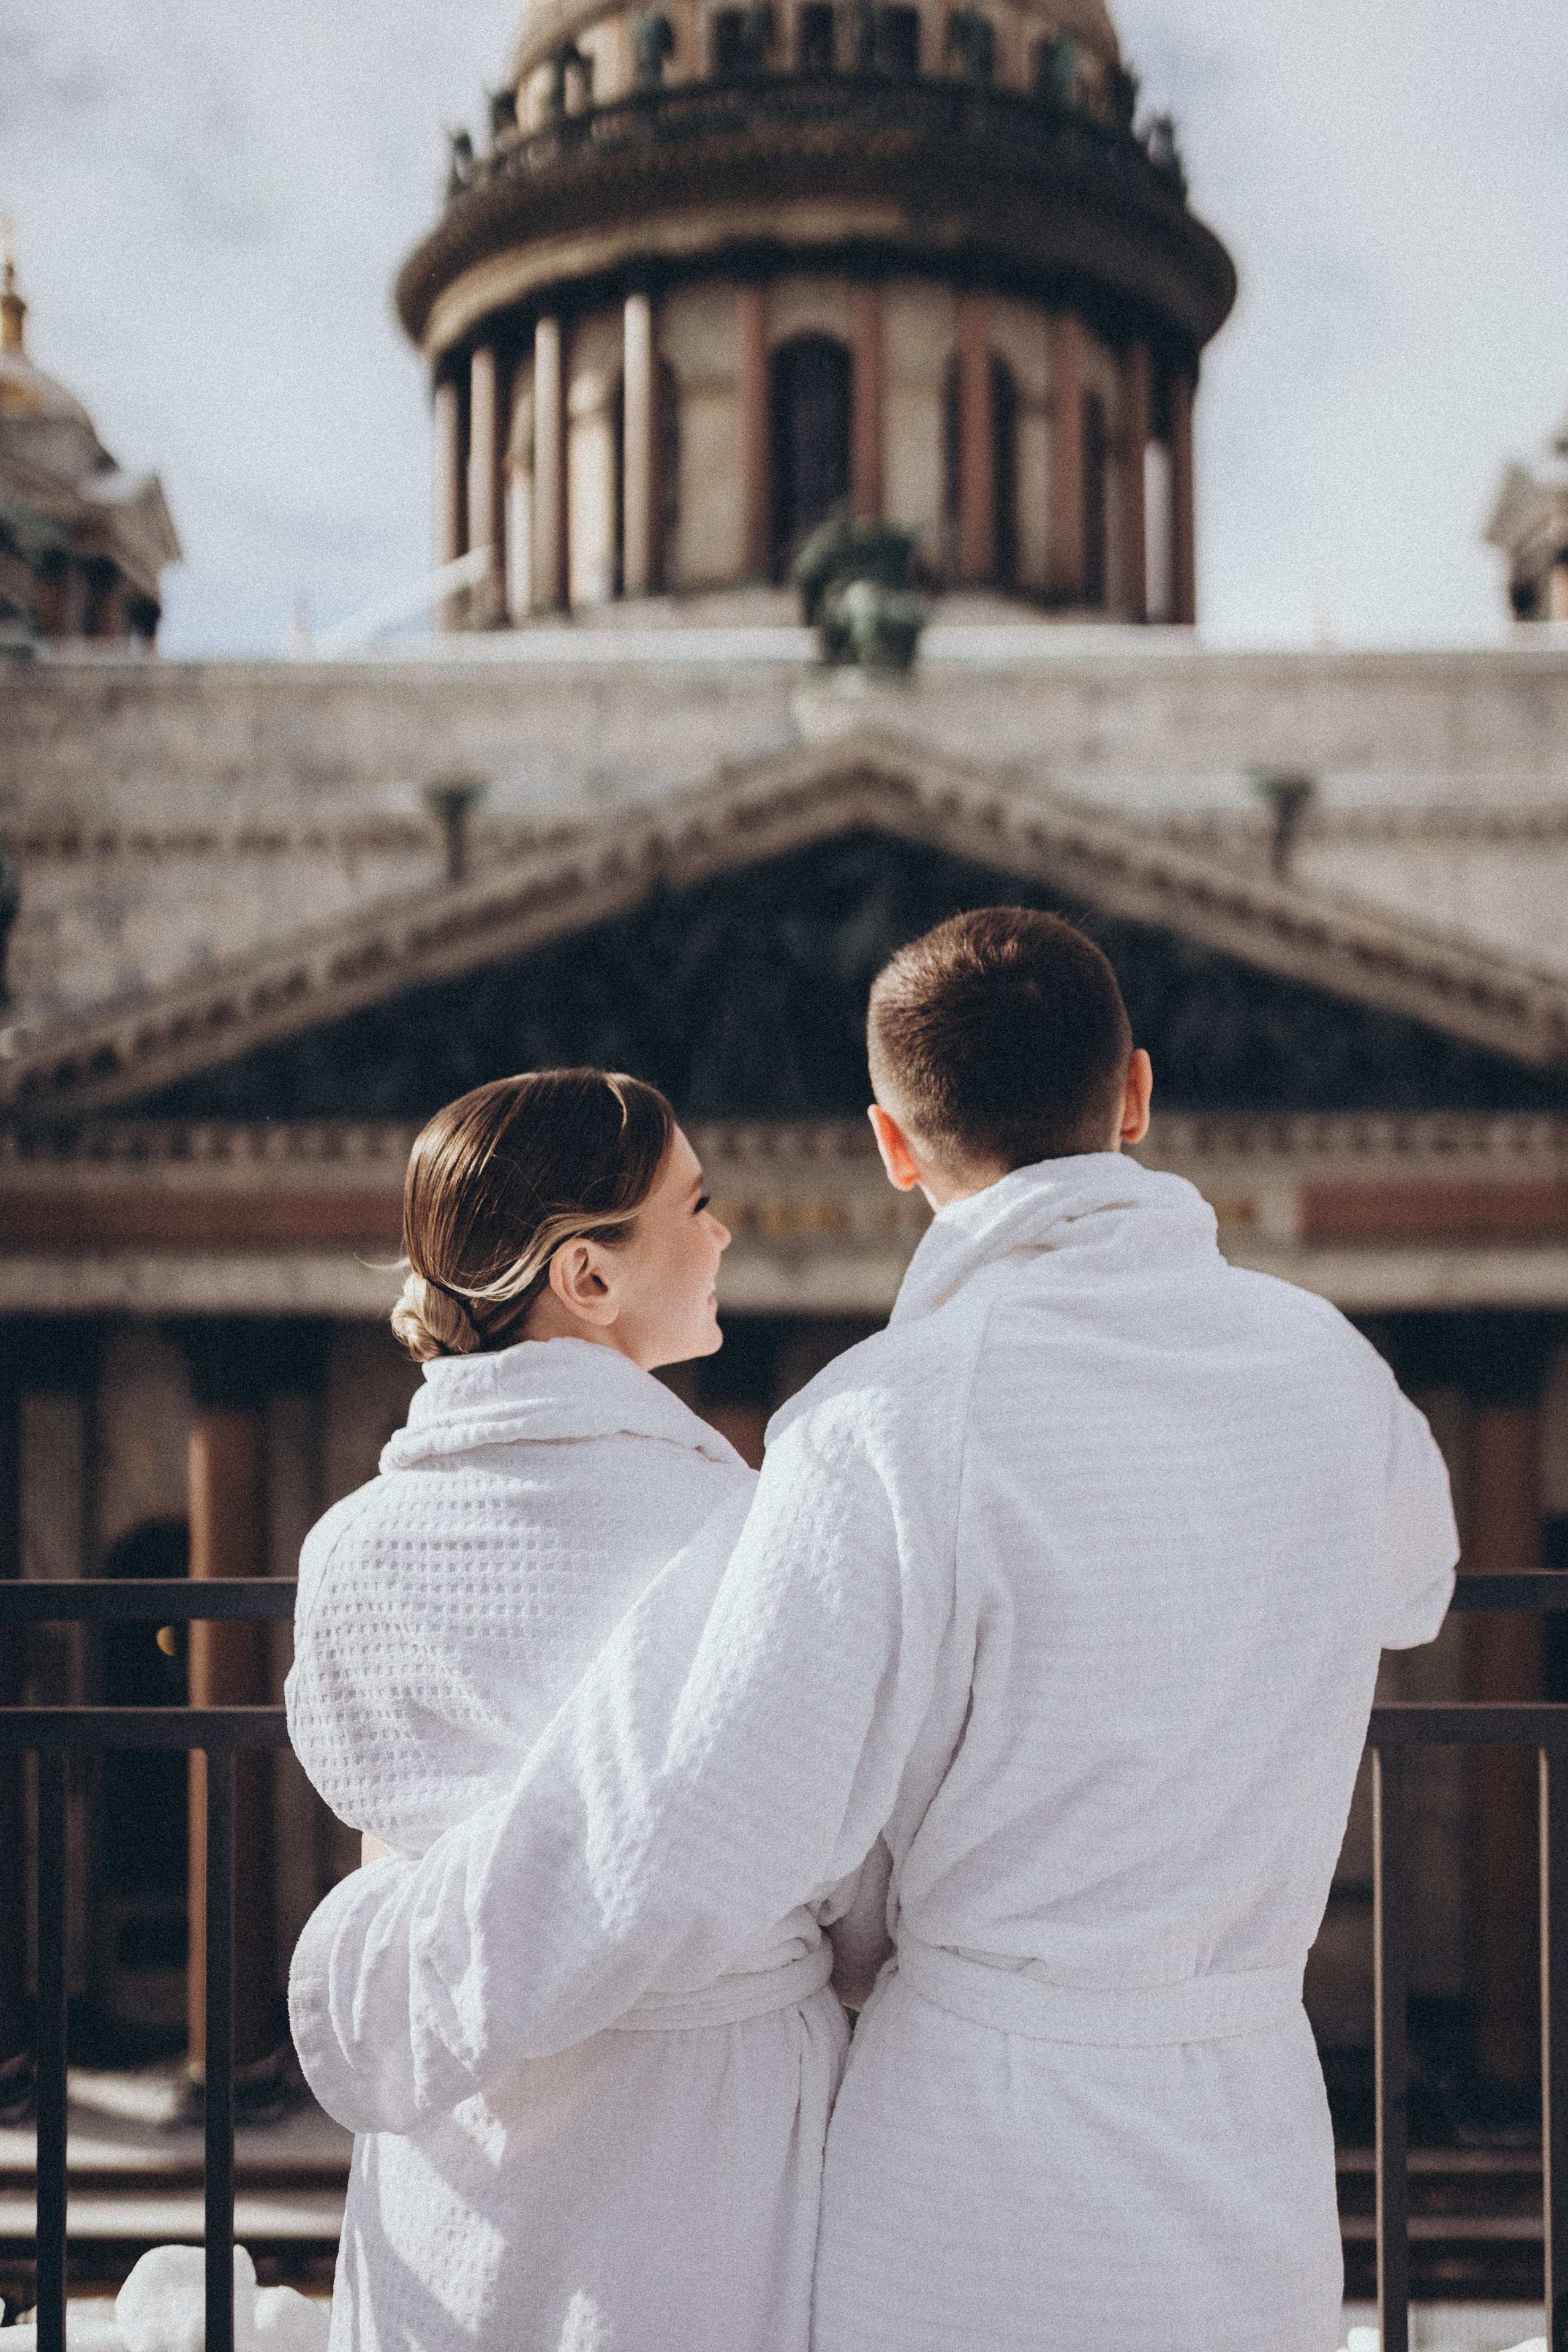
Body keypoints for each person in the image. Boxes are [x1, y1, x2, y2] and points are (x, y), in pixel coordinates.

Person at [292, 912, 1458, 2352]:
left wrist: (377, 1983)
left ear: (893, 1147)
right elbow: (1413, 1589)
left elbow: (709, 1809)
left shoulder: (876, 1423)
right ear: (1135, 1093)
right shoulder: (1329, 1372)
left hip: (977, 2160)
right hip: (1248, 2119)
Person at [285, 1068, 881, 2352]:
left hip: (459, 2107)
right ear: (587, 1277)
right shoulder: (747, 1532)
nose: (725, 1234)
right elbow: (848, 1872)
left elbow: (386, 1839)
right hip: (710, 2121)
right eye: (695, 1206)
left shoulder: (349, 1549)